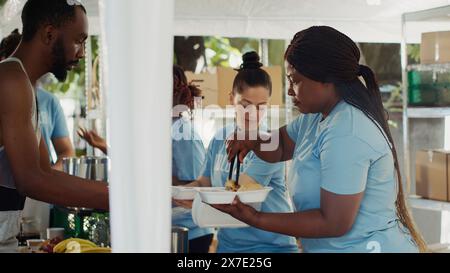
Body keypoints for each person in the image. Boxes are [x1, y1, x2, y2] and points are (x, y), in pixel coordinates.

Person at [219, 26, 426, 253]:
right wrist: (253, 140)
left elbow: (333, 222)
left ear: (326, 79)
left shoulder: (347, 130)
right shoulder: (316, 117)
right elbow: (279, 147)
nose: (289, 91)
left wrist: (256, 218)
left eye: (294, 81)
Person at [0, 0, 108, 252]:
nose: (81, 52)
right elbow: (30, 181)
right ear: (49, 34)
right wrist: (120, 198)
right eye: (78, 40)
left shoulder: (26, 86)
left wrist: (114, 191)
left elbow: (44, 172)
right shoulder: (11, 80)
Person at [79, 65, 214, 253]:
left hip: (189, 233)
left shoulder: (183, 132)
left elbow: (198, 184)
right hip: (166, 229)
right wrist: (105, 147)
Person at [174, 52, 299, 253]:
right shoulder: (219, 138)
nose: (252, 114)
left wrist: (198, 200)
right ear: (232, 100)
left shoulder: (269, 143)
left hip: (272, 248)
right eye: (245, 105)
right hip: (229, 247)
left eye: (260, 107)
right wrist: (182, 192)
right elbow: (204, 182)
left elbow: (238, 196)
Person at [0, 29, 75, 171]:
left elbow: (63, 153)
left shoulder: (47, 101)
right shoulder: (8, 96)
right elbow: (29, 179)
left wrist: (50, 175)